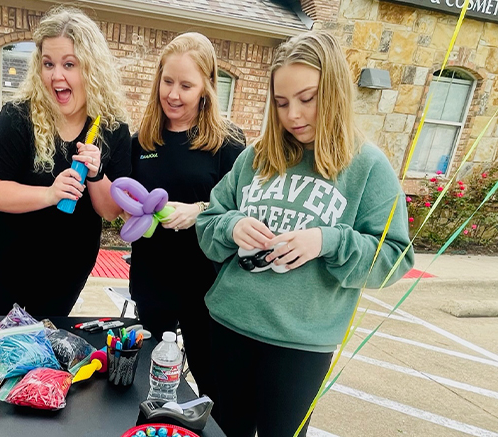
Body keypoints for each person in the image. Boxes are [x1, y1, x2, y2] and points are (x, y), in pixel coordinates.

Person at [195, 31, 414, 436]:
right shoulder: (257, 156)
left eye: (307, 98)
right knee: (223, 432)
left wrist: (326, 241)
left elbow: (394, 259)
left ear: (334, 91)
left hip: (300, 346)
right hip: (228, 325)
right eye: (281, 102)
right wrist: (233, 226)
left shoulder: (368, 167)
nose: (293, 114)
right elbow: (209, 221)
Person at [0, 6, 131, 317]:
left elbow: (112, 211)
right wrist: (49, 194)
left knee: (44, 350)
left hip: (65, 268)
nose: (57, 75)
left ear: (91, 68)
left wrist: (96, 175)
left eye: (69, 64)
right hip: (2, 262)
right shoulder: (17, 117)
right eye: (48, 64)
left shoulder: (112, 129)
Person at [128, 32, 245, 397]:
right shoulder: (142, 140)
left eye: (186, 85)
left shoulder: (229, 143)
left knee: (212, 383)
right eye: (167, 82)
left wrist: (198, 211)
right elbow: (126, 203)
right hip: (152, 280)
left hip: (206, 285)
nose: (173, 95)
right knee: (148, 380)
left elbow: (245, 209)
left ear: (206, 88)